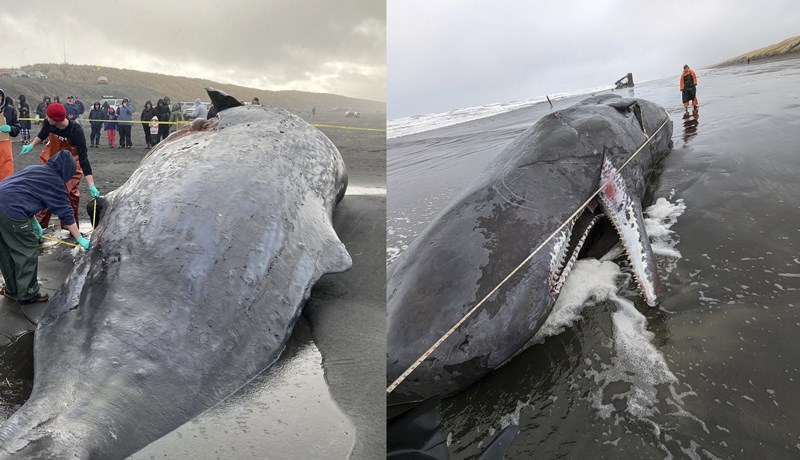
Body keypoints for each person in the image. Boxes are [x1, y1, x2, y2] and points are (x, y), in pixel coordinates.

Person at [0, 150, 91, 304]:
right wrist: (80, 238)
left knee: (6, 248)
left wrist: (32, 219)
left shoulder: (35, 169)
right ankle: (28, 294)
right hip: (12, 211)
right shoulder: (54, 182)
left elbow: (23, 193)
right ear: (67, 171)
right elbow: (66, 213)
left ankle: (12, 288)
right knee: (26, 248)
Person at [19, 103, 101, 230]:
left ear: (56, 119)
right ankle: (39, 226)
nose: (46, 118)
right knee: (45, 190)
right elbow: (43, 134)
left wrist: (91, 184)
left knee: (70, 194)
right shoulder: (48, 123)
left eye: (48, 116)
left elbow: (83, 158)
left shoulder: (76, 130)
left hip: (71, 161)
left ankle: (70, 227)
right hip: (50, 157)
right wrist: (31, 145)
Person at [0, 88, 21, 181]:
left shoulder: (10, 110)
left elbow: (17, 128)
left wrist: (10, 128)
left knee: (6, 172)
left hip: (5, 145)